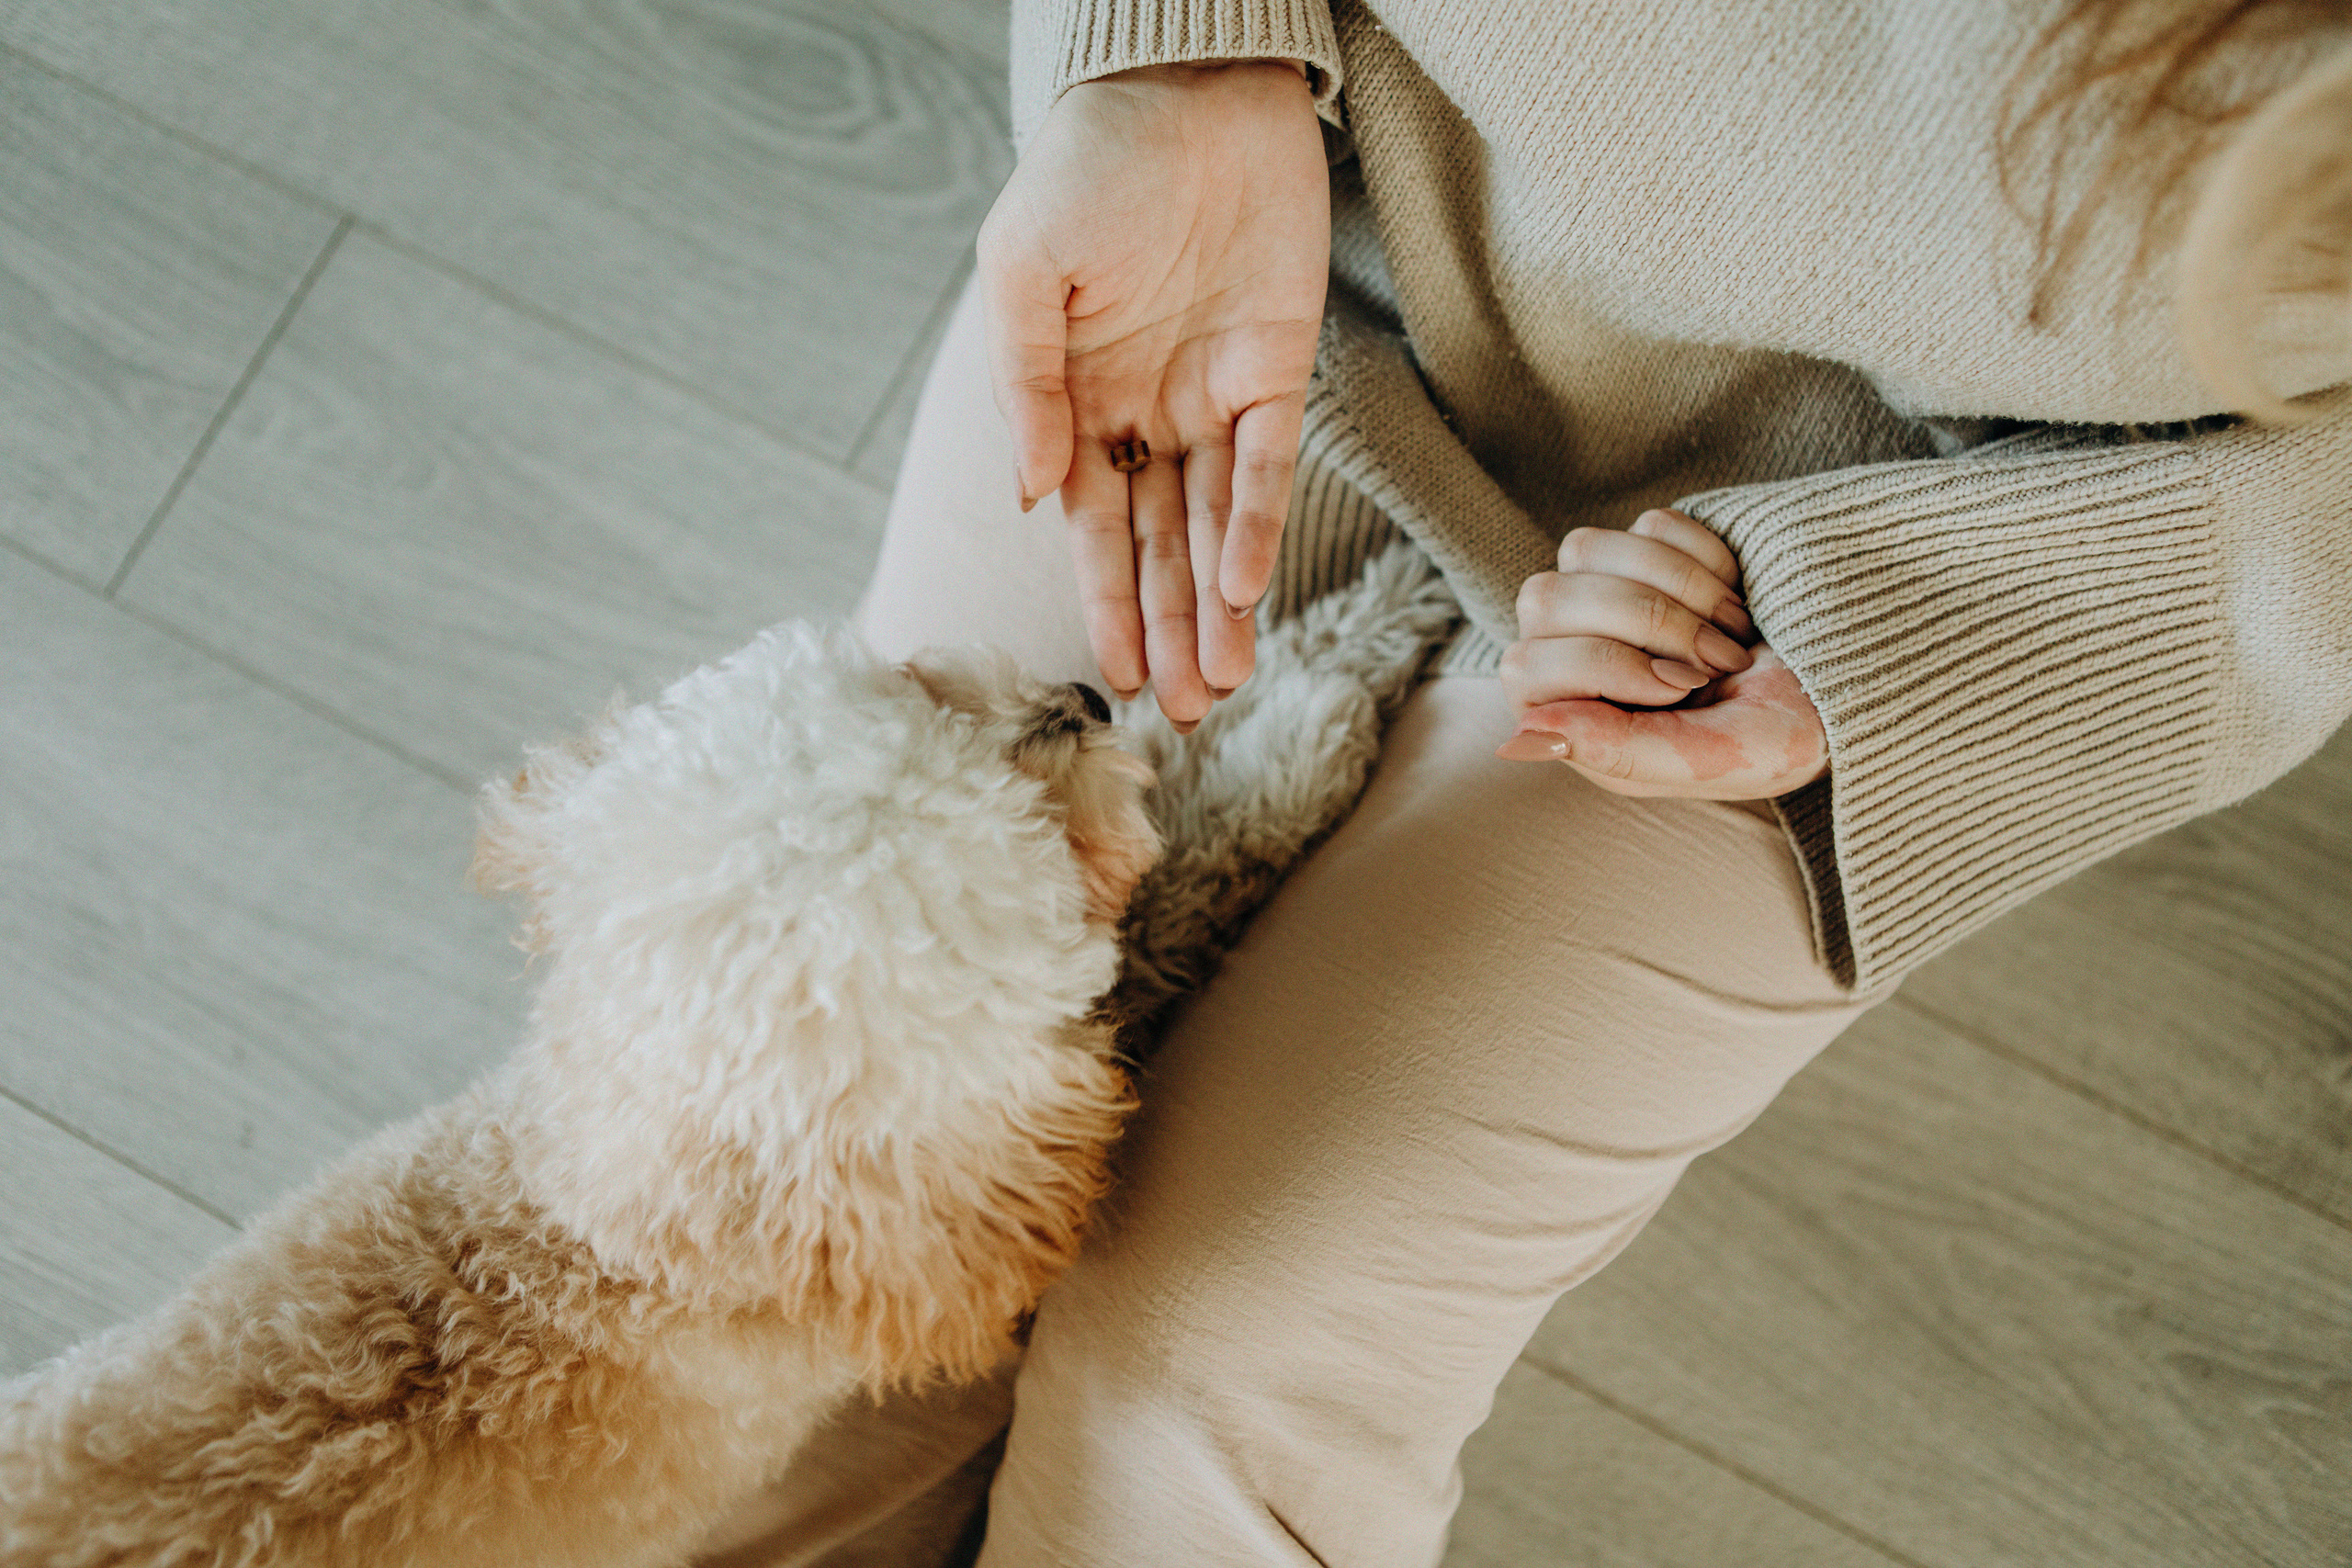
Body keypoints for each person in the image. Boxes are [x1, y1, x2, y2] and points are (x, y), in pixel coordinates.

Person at [696, 2, 2352, 1562]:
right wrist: (1170, 57)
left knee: (1217, 1372)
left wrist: (1900, 639)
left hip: (1901, 564)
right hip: (1266, 264)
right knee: (810, 1141)